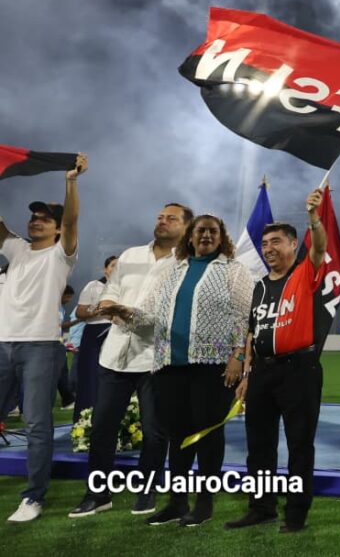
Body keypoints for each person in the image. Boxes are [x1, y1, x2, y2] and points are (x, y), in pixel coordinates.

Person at [108, 213, 251, 527]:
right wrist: (123, 312)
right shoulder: (174, 271)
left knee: (209, 434)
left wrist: (238, 357)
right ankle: (177, 501)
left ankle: (204, 502)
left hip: (214, 366)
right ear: (190, 236)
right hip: (170, 364)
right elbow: (149, 312)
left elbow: (246, 318)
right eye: (200, 230)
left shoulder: (234, 270)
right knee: (177, 435)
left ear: (221, 236)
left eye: (213, 231)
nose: (206, 236)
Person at [67, 203, 191, 518]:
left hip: (156, 358)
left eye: (171, 218)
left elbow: (167, 314)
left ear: (186, 227)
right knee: (102, 428)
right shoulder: (131, 255)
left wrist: (125, 312)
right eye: (160, 216)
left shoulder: (188, 265)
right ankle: (98, 495)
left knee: (154, 431)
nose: (162, 221)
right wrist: (112, 306)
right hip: (114, 356)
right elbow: (110, 292)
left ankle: (146, 491)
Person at [225, 189, 328, 534]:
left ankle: (296, 514)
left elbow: (320, 248)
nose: (268, 248)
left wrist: (314, 217)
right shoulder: (257, 288)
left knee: (300, 445)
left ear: (293, 244)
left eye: (276, 242)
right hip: (264, 372)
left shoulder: (304, 274)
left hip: (299, 370)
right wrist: (247, 373)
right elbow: (253, 334)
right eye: (265, 243)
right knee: (259, 444)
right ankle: (262, 507)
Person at [0, 152, 88, 523]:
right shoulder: (16, 248)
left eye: (45, 218)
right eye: (34, 216)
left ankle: (33, 497)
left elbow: (71, 220)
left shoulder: (61, 255)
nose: (36, 221)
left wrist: (70, 181)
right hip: (3, 343)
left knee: (37, 424)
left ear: (56, 228)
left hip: (41, 346)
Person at [71, 255, 117, 420]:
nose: (116, 269)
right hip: (94, 334)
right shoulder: (93, 286)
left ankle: (118, 420)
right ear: (105, 269)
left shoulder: (127, 287)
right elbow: (79, 312)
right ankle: (85, 420)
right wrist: (95, 311)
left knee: (114, 378)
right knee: (89, 376)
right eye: (113, 265)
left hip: (117, 333)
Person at [57, 285, 78, 409]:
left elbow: (60, 327)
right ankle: (68, 400)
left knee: (62, 372)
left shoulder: (61, 308)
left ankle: (68, 400)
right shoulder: (55, 306)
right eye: (68, 297)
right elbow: (59, 325)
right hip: (52, 344)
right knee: (60, 372)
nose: (69, 300)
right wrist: (78, 320)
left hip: (58, 343)